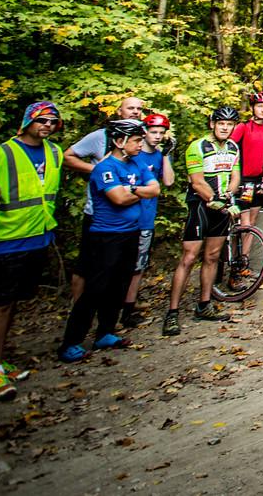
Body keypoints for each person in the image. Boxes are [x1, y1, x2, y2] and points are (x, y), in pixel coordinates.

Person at [0, 101, 64, 402]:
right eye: (41, 120)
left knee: (13, 304)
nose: (47, 125)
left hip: (37, 238)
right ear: (27, 122)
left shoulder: (55, 153)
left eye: (52, 121)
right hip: (3, 241)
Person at [61, 119, 160, 361]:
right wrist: (136, 191)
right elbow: (118, 199)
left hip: (131, 232)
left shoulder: (136, 163)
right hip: (106, 235)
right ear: (119, 142)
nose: (140, 145)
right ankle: (71, 341)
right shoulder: (104, 168)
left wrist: (131, 190)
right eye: (136, 141)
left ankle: (105, 331)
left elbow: (155, 189)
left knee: (120, 284)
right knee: (95, 288)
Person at [163, 107, 242, 333]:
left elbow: (235, 175)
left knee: (213, 256)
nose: (225, 127)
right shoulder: (197, 146)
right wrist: (212, 198)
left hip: (221, 206)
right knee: (189, 257)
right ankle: (172, 312)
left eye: (229, 124)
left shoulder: (233, 147)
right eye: (221, 123)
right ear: (212, 124)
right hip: (200, 205)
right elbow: (196, 181)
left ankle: (204, 304)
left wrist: (229, 197)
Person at [62, 94, 148, 300]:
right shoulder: (100, 136)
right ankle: (79, 311)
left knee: (121, 269)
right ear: (119, 111)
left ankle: (108, 319)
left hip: (131, 215)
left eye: (139, 109)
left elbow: (151, 182)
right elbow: (67, 157)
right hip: (98, 215)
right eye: (130, 108)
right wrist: (97, 170)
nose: (135, 112)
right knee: (88, 266)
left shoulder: (141, 140)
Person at [119, 112, 174, 329]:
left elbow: (168, 182)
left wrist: (166, 156)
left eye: (161, 133)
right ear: (144, 133)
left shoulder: (159, 154)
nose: (158, 136)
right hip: (126, 219)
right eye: (153, 132)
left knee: (138, 267)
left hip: (147, 219)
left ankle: (128, 309)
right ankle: (113, 308)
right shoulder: (132, 155)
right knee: (121, 266)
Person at [231, 92, 263, 271]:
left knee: (252, 222)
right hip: (243, 179)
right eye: (259, 106)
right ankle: (235, 263)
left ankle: (244, 260)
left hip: (258, 180)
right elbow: (230, 149)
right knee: (244, 223)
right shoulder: (243, 127)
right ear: (252, 108)